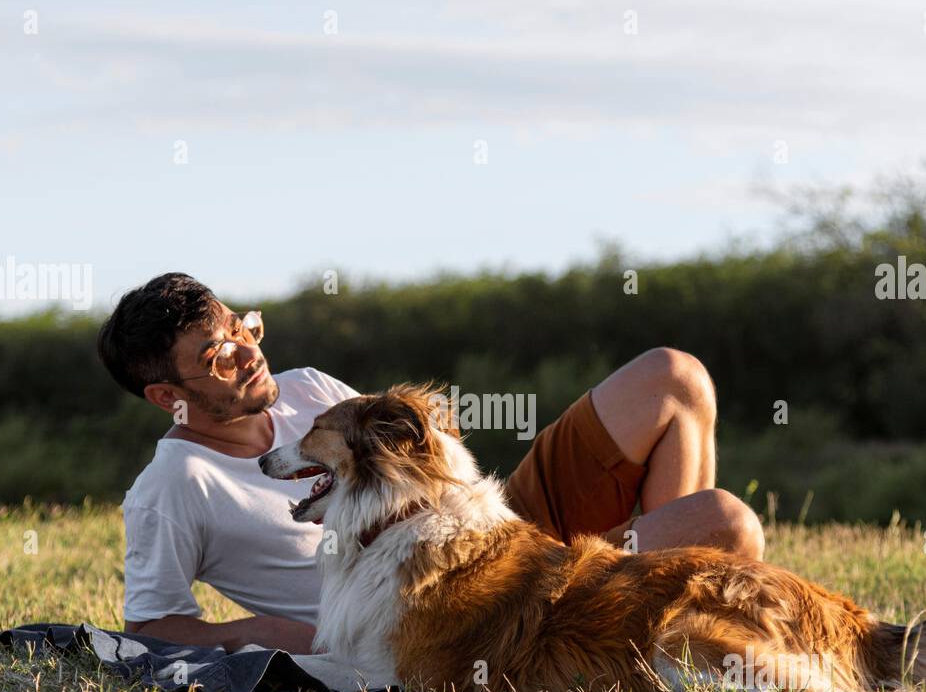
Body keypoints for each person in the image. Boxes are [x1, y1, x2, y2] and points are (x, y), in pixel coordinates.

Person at [96, 273, 765, 653]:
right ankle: (653, 619)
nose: (249, 352)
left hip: (499, 529)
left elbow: (423, 454)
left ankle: (655, 613)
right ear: (167, 396)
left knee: (673, 377)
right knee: (726, 525)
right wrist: (264, 632)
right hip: (458, 606)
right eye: (219, 355)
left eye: (244, 328)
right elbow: (150, 627)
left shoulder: (308, 387)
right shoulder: (175, 486)